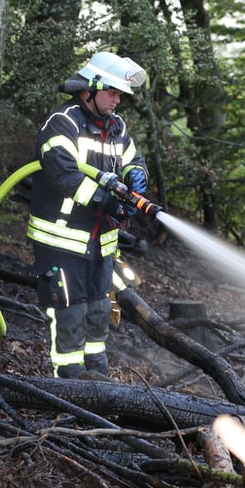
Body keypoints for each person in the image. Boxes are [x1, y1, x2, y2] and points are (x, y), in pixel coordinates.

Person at [27, 52, 150, 379]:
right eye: (113, 92)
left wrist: (137, 176)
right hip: (62, 242)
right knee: (70, 311)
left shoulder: (117, 127)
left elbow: (133, 160)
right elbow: (65, 177)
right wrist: (107, 202)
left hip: (102, 243)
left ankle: (98, 380)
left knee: (98, 311)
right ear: (89, 89)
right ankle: (70, 385)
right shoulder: (62, 123)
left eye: (120, 94)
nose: (118, 100)